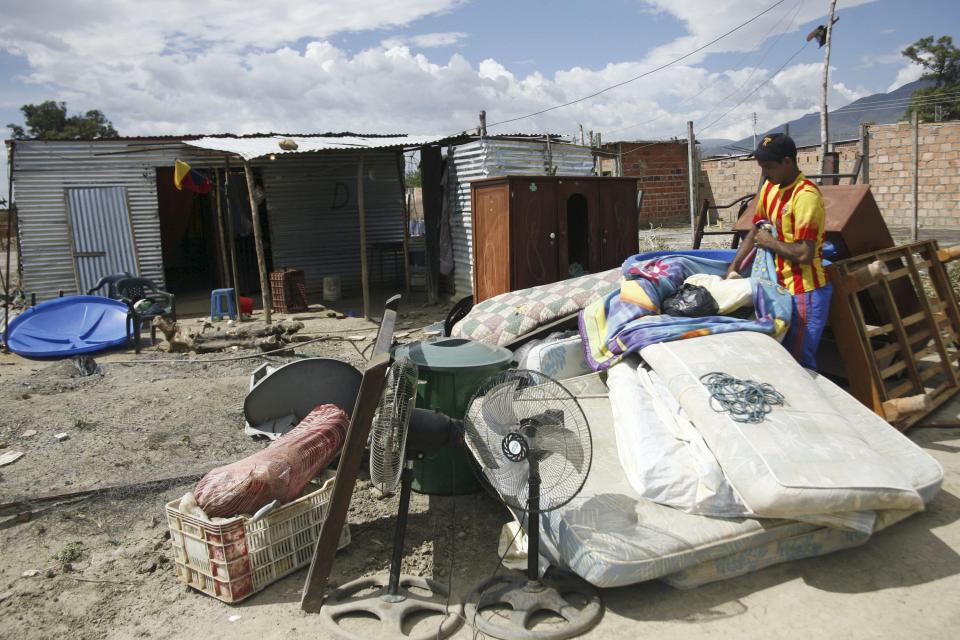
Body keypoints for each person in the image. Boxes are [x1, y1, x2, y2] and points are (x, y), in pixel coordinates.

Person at [727, 133, 832, 370]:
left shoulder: (806, 197)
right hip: (777, 289)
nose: (765, 173)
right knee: (776, 357)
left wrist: (771, 242)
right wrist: (734, 266)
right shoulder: (770, 189)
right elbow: (755, 231)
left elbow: (805, 254)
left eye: (769, 167)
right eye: (761, 167)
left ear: (787, 162)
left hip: (804, 292)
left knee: (798, 362)